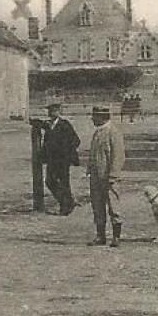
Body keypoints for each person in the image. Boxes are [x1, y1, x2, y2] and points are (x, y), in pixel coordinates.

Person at [87, 105, 125, 247]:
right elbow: (94, 154)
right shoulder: (97, 133)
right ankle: (100, 236)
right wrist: (90, 169)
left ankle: (116, 237)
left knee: (114, 206)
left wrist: (113, 175)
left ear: (102, 117)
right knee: (97, 206)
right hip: (96, 177)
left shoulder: (113, 133)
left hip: (109, 178)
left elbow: (118, 156)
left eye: (95, 117)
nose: (92, 120)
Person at [40, 102, 81, 216]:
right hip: (52, 160)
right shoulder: (49, 125)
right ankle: (67, 202)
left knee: (64, 183)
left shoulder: (64, 125)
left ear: (59, 112)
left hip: (62, 160)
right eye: (49, 111)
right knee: (50, 181)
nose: (51, 113)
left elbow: (76, 140)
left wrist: (66, 152)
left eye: (53, 111)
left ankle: (65, 207)